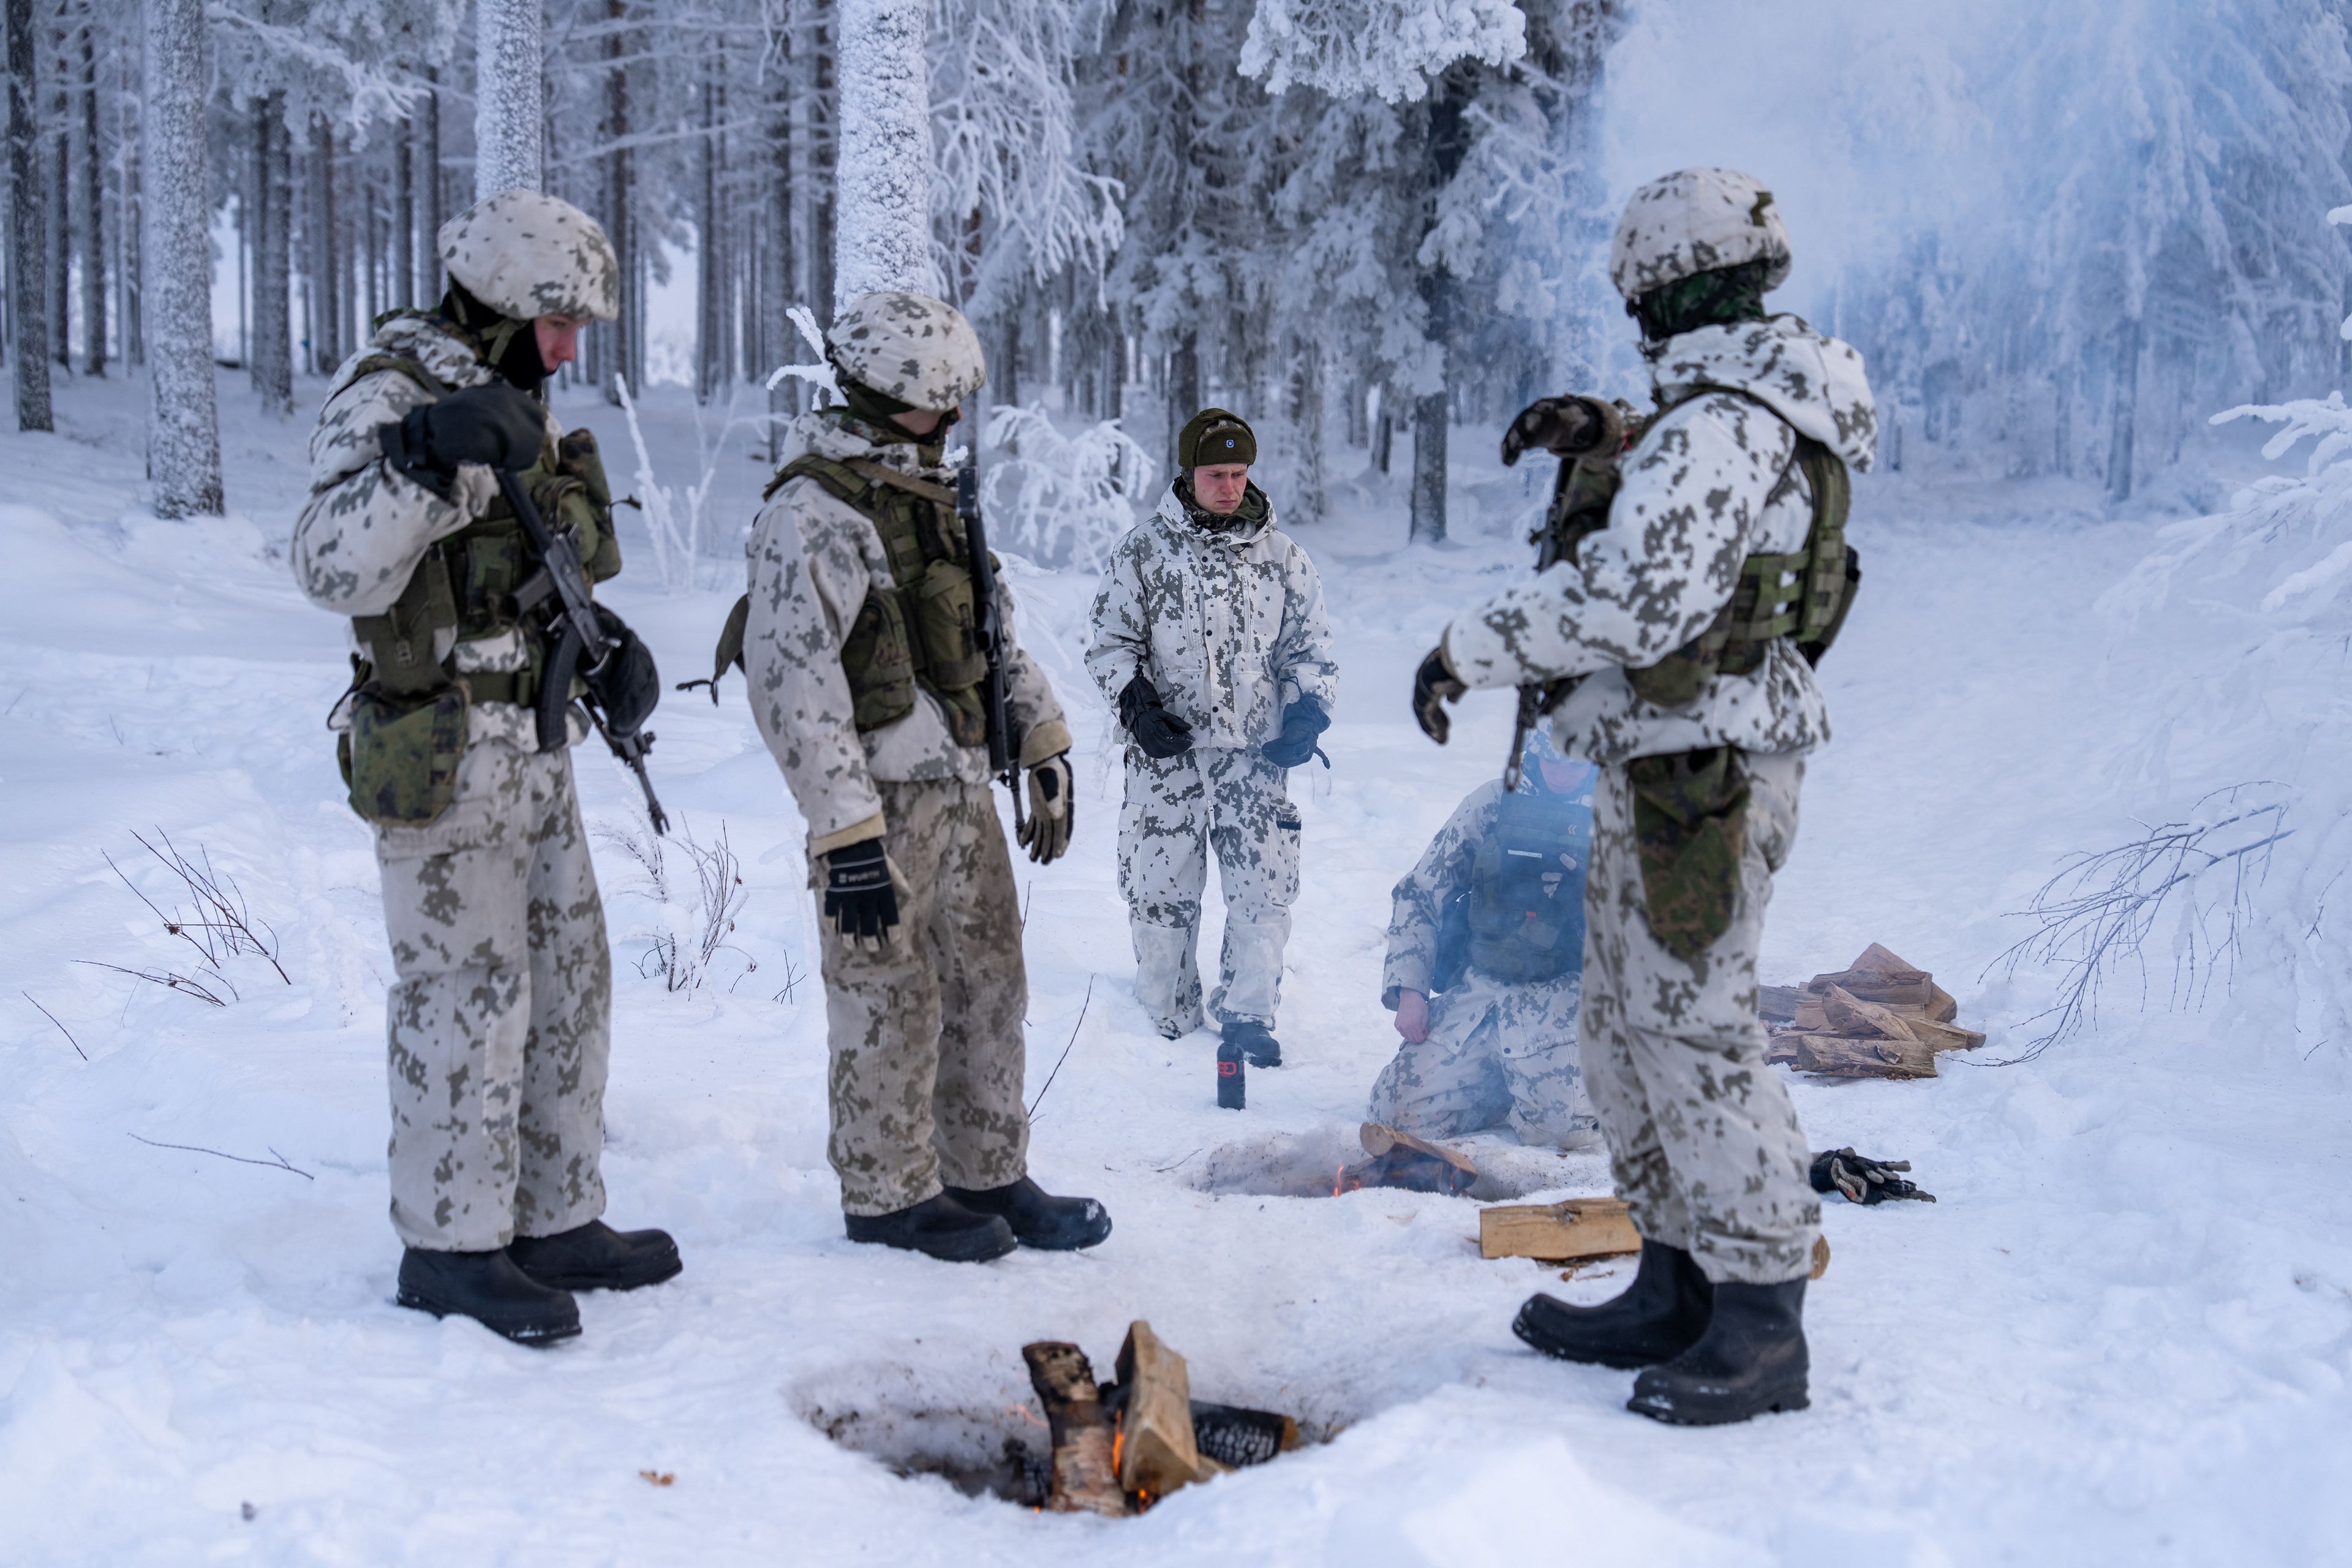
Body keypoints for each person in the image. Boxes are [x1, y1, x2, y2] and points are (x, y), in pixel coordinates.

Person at [1411, 167, 1877, 1425]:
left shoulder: (1724, 422)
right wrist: (1613, 436)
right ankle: (1675, 1281)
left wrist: (1468, 645)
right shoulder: (1736, 406)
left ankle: (1761, 1316)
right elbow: (1703, 502)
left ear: (1669, 285)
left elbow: (1635, 599)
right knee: (1623, 1028)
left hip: (1709, 775)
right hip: (1666, 760)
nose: (1634, 315)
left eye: (1639, 294)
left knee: (1695, 1035)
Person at [290, 189, 679, 1347]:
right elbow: (325, 566)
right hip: (445, 749)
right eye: (558, 324)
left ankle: (553, 1217)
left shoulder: (520, 401)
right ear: (503, 300)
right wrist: (423, 457)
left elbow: (527, 561)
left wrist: (604, 645)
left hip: (537, 744)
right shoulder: (395, 392)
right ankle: (452, 1247)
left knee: (571, 979)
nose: (568, 350)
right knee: (467, 992)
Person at [739, 289, 1108, 1264]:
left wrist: (1042, 741)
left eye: (957, 399)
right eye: (936, 400)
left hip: (963, 789)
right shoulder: (813, 513)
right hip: (880, 803)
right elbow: (793, 688)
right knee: (887, 996)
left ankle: (986, 1172)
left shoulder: (933, 497)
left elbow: (991, 635)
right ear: (877, 393)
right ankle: (889, 1193)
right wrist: (845, 833)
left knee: (989, 984)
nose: (953, 415)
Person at [1085, 409, 1338, 1068]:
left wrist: (1306, 716)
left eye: (1239, 473)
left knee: (1263, 892)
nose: (1229, 487)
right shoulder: (1144, 551)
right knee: (1160, 887)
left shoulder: (1284, 558)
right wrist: (1138, 707)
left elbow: (1309, 651)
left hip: (1255, 759)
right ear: (1189, 474)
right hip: (1166, 757)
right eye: (1216, 474)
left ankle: (1249, 1015)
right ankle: (1163, 1016)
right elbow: (1112, 643)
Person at [1370, 729, 1600, 1150]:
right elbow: (1421, 893)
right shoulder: (1494, 803)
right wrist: (1410, 989)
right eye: (1553, 761)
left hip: (1568, 998)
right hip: (1482, 992)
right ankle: (1507, 1087)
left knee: (1563, 1136)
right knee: (1394, 1113)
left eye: (1575, 763)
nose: (1562, 773)